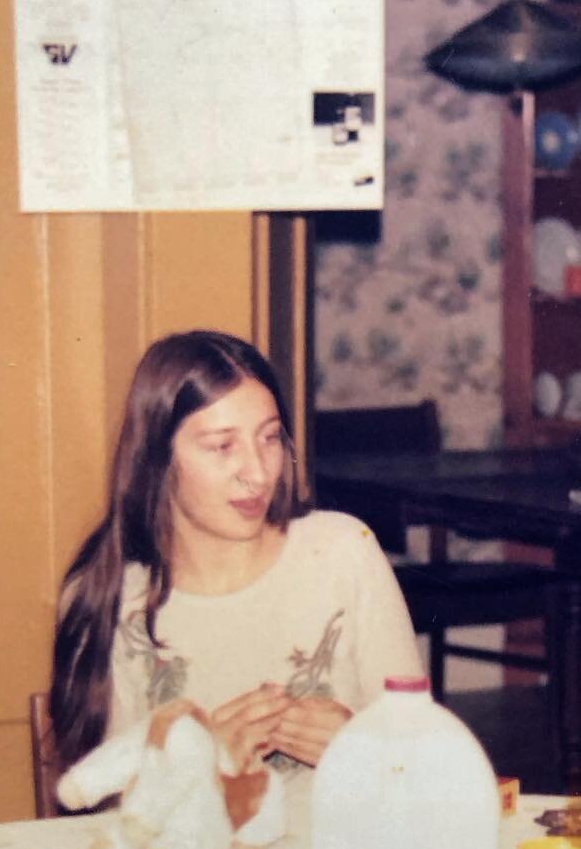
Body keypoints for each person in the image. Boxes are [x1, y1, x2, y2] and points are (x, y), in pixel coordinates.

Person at [49, 330, 422, 775]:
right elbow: (101, 811)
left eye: (268, 439)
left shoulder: (343, 552)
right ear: (158, 459)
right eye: (222, 447)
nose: (258, 473)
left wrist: (365, 748)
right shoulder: (108, 596)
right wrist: (195, 768)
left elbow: (423, 758)